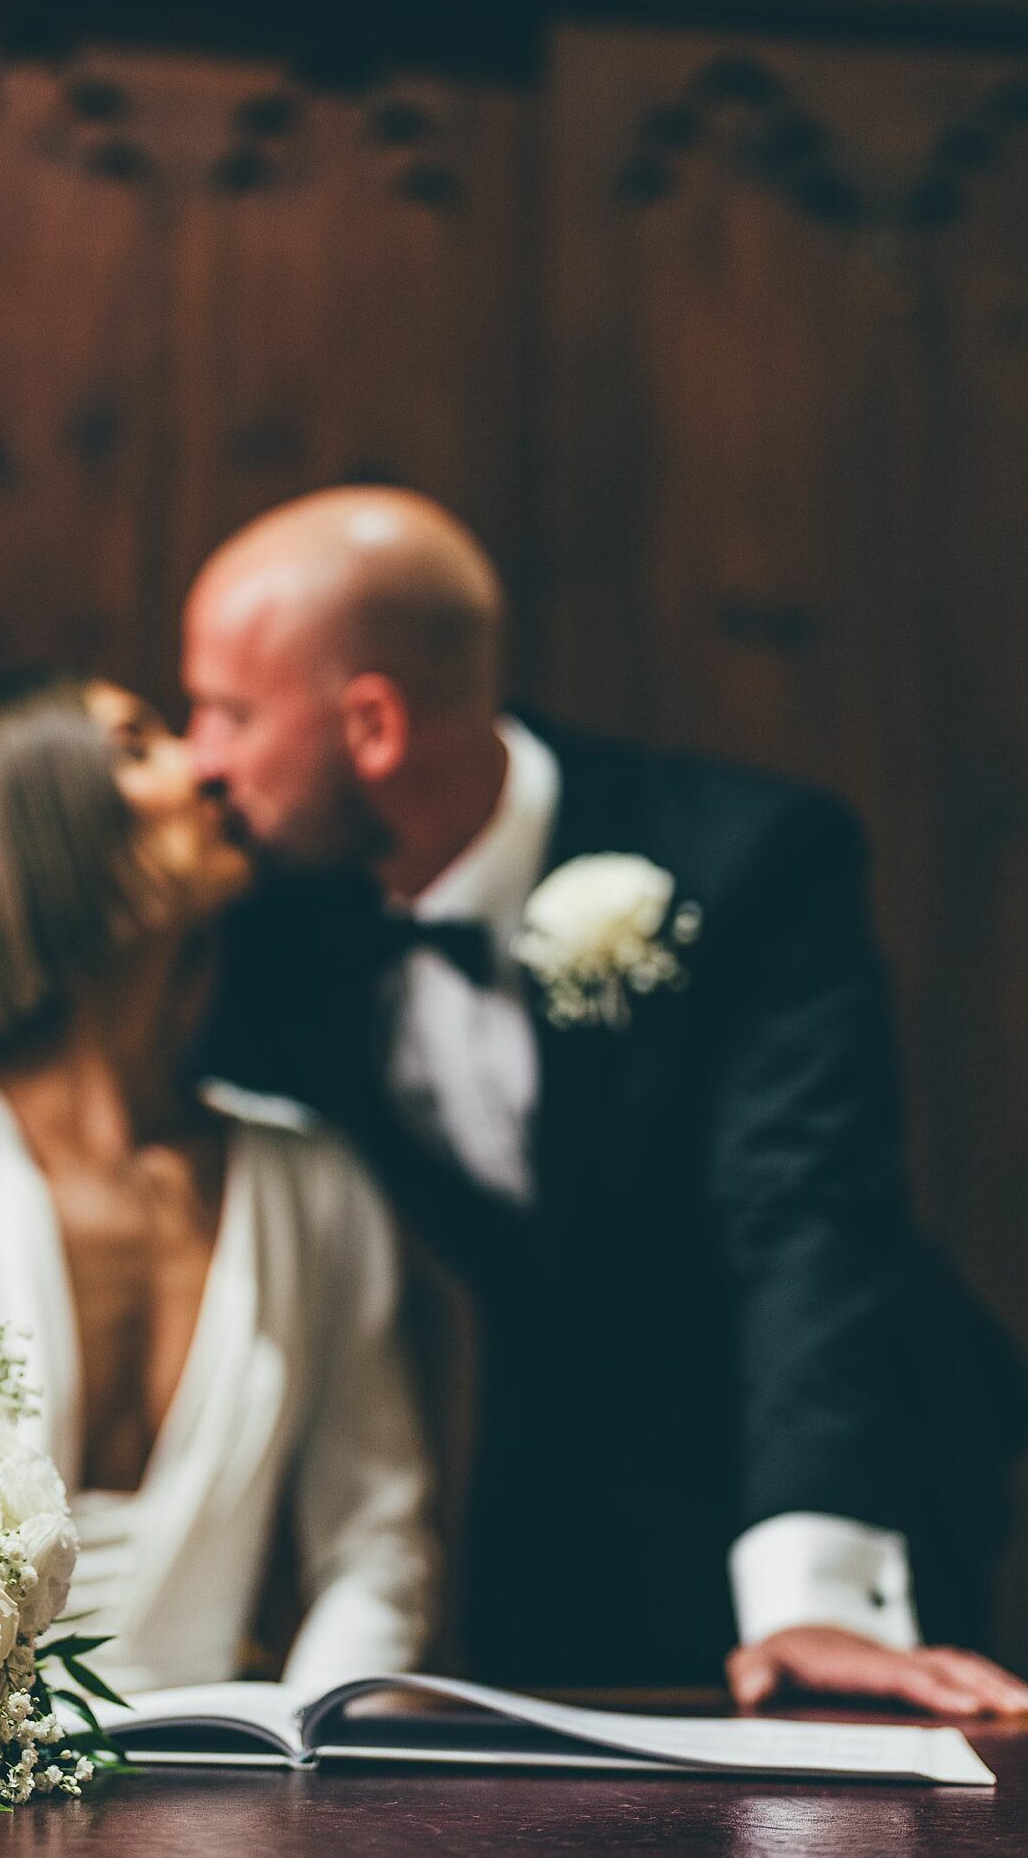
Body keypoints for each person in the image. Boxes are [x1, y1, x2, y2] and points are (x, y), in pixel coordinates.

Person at [185, 487, 1028, 1715]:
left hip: (840, 1444)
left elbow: (808, 1220)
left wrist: (816, 1594)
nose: (202, 755)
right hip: (565, 1481)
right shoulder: (276, 922)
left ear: (371, 723)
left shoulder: (750, 860)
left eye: (229, 712)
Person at [0, 670, 436, 1702]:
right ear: (27, 825)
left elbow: (379, 1551)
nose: (211, 765)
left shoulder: (313, 1182)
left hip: (234, 1822)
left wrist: (306, 1757)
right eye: (137, 743)